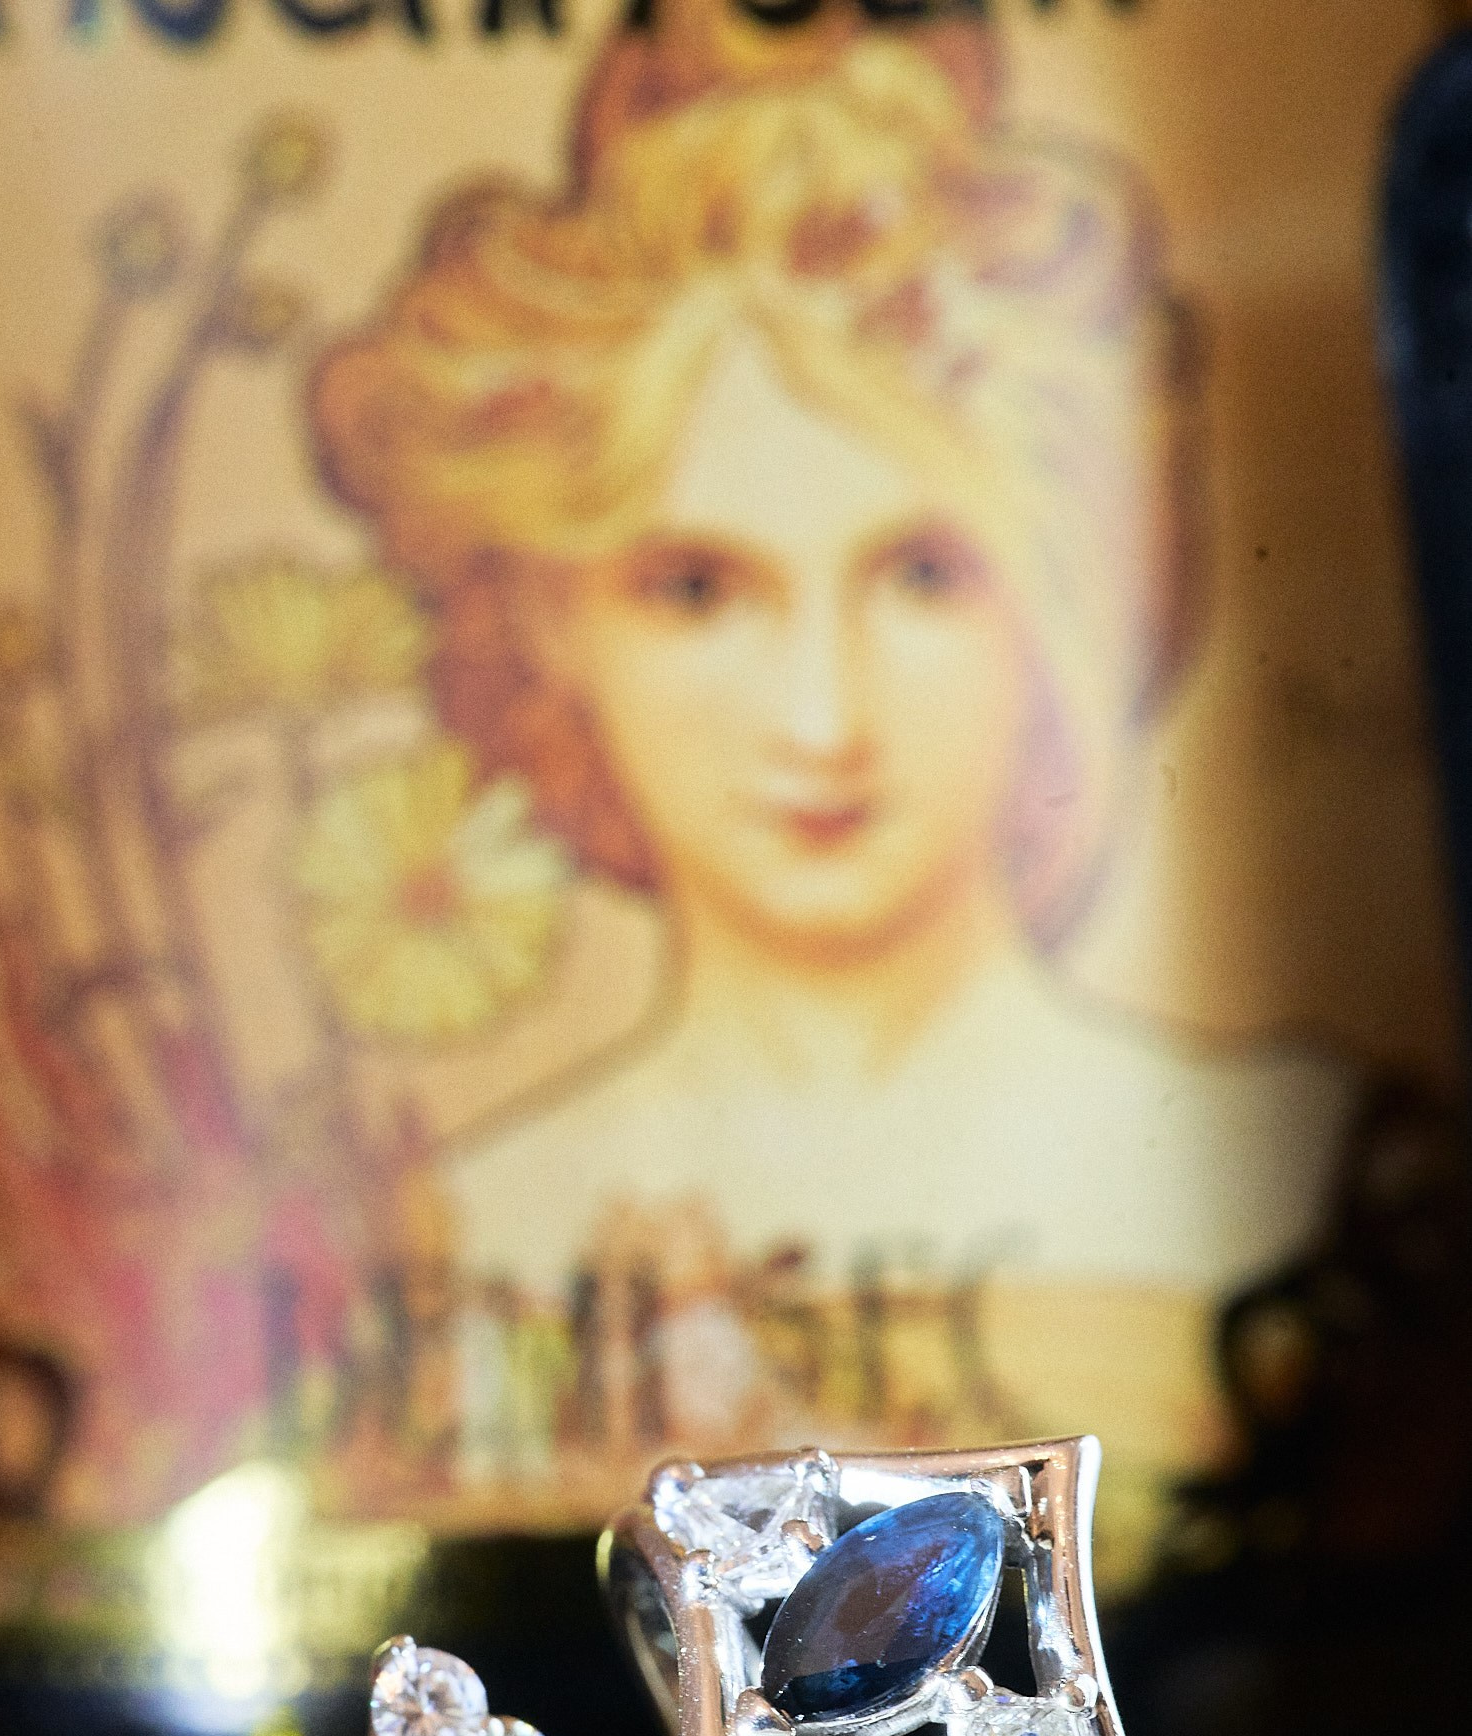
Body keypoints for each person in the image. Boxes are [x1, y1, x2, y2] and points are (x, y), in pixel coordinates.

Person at [309, 0, 1352, 1497]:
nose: (820, 721)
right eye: (696, 589)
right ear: (545, 620)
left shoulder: (1322, 1168)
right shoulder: (455, 1236)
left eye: (922, 574)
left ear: (1069, 588)